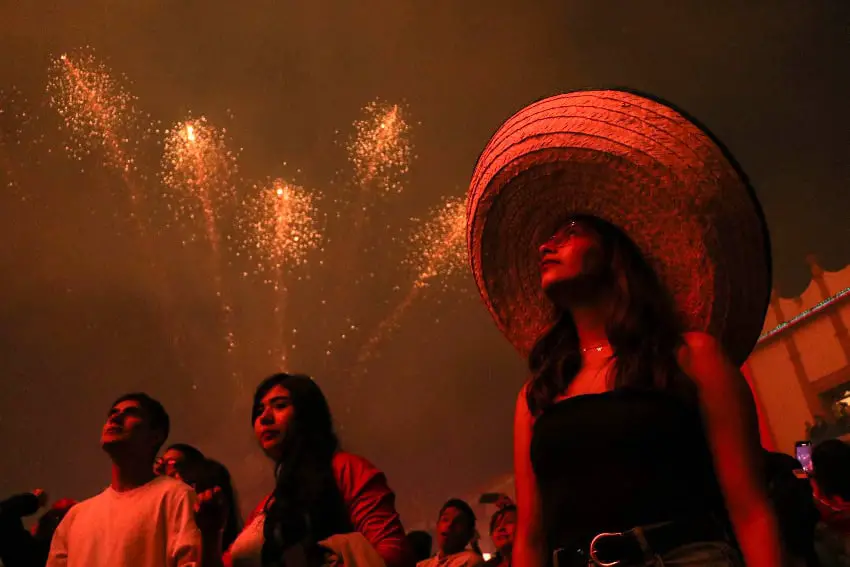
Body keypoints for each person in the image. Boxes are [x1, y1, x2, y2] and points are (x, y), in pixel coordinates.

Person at [466, 89, 786, 566]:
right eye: (546, 239)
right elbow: (532, 538)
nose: (545, 247)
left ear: (616, 252)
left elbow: (751, 509)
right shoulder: (538, 395)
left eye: (570, 231)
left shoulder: (692, 357)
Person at [195, 373, 413, 567]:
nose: (265, 417)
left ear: (307, 414)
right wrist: (211, 534)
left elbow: (393, 554)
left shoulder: (346, 469)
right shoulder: (266, 508)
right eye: (259, 411)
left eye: (280, 405)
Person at [47, 392, 202, 566]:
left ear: (155, 436)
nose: (116, 417)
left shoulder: (176, 497)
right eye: (113, 412)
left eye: (131, 412)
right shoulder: (76, 517)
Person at [417, 500, 484, 567]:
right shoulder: (423, 565)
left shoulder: (470, 561)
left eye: (458, 522)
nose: (450, 524)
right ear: (437, 525)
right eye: (445, 519)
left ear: (469, 533)